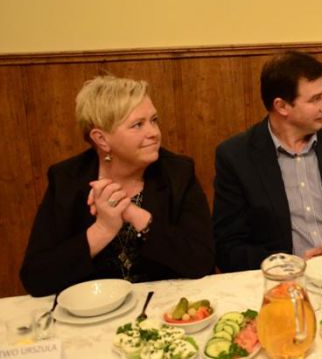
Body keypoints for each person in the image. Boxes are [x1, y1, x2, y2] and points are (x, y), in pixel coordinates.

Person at [20, 76, 215, 297]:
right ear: (101, 139)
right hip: (92, 311)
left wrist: (136, 216)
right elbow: (36, 278)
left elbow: (202, 261)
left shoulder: (177, 172)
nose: (154, 133)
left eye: (154, 120)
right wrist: (102, 230)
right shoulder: (67, 180)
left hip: (161, 307)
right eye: (138, 125)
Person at [213, 51, 322, 272]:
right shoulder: (237, 156)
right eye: (315, 99)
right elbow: (228, 246)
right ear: (282, 106)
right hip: (282, 280)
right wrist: (290, 265)